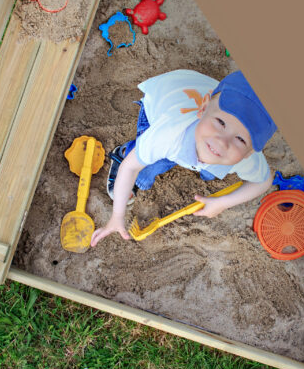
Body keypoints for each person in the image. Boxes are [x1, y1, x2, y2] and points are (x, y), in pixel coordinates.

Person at [90, 69, 277, 247]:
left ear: (250, 152)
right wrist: (117, 216)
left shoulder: (246, 157)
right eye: (220, 122)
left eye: (240, 139)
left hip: (202, 91)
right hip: (163, 100)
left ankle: (206, 152)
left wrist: (222, 203)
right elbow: (130, 168)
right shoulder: (168, 135)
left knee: (210, 171)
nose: (222, 142)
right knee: (149, 172)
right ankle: (122, 153)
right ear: (203, 108)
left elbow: (263, 181)